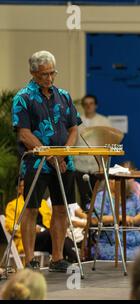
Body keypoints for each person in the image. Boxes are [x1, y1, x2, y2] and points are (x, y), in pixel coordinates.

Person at [11, 50, 81, 272]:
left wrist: (65, 152)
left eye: (52, 73)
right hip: (36, 162)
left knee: (61, 209)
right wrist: (50, 155)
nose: (49, 78)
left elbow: (73, 128)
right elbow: (24, 133)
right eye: (44, 74)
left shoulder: (64, 95)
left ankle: (57, 257)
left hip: (63, 162)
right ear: (33, 73)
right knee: (31, 209)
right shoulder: (23, 98)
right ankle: (30, 260)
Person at [5, 180, 77, 263]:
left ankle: (69, 259)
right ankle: (73, 259)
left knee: (59, 234)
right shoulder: (13, 205)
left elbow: (52, 220)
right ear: (18, 189)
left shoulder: (43, 203)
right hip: (28, 240)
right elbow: (11, 226)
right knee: (51, 234)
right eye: (24, 185)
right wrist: (31, 229)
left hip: (46, 238)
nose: (28, 187)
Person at [92, 180, 140, 260]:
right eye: (113, 179)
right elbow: (95, 219)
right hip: (111, 242)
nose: (114, 181)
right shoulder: (103, 196)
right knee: (132, 258)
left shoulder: (132, 196)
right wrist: (120, 218)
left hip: (136, 239)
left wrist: (133, 219)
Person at [74, 94, 112, 211]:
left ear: (95, 105)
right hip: (80, 165)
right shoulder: (76, 121)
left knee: (98, 197)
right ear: (83, 106)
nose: (88, 106)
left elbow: (108, 144)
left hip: (98, 166)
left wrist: (103, 165)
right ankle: (85, 225)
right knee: (83, 196)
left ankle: (97, 224)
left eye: (91, 104)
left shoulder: (104, 122)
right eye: (86, 104)